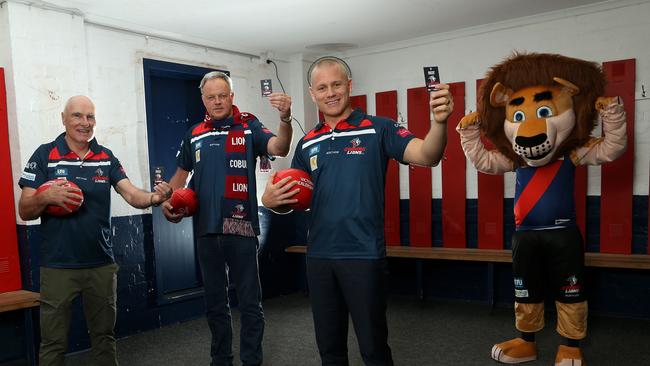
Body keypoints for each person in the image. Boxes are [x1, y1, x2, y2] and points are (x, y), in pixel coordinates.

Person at [261, 56, 454, 366]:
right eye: (322, 87)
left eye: (337, 84)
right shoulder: (307, 142)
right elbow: (297, 198)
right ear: (313, 94)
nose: (330, 93)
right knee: (329, 348)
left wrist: (439, 123)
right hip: (320, 257)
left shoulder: (379, 128)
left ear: (349, 86)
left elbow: (428, 155)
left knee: (374, 349)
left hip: (363, 255)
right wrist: (271, 202)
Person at [18, 95, 172, 366]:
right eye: (77, 115)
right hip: (57, 266)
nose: (84, 123)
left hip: (100, 265)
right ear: (63, 119)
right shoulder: (45, 155)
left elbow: (132, 194)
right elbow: (25, 209)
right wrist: (45, 197)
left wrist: (154, 199)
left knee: (104, 337)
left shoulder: (105, 157)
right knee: (53, 342)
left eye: (90, 117)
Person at [161, 71, 293, 366]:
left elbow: (279, 148)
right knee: (215, 304)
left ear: (231, 97)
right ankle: (221, 358)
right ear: (203, 100)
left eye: (223, 95)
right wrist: (164, 200)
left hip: (241, 227)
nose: (218, 101)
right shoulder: (194, 134)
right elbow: (179, 178)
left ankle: (251, 360)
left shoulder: (249, 127)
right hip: (206, 231)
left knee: (249, 303)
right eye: (211, 97)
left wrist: (285, 120)